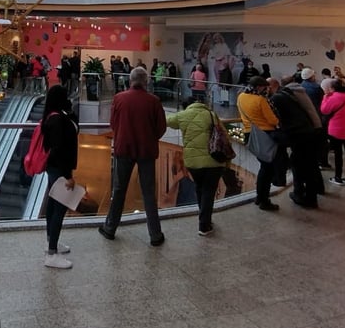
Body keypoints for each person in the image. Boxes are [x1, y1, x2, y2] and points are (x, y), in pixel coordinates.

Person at [98, 66, 167, 246]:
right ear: (146, 81)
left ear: (130, 80)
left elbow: (113, 124)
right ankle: (155, 234)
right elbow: (161, 128)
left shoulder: (119, 98)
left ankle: (110, 228)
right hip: (146, 152)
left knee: (119, 190)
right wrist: (149, 138)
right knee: (148, 194)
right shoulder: (154, 101)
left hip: (124, 150)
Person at [167, 97, 226, 236]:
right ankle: (204, 224)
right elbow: (224, 133)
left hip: (193, 162)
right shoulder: (211, 114)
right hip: (214, 160)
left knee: (200, 188)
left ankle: (203, 218)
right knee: (209, 191)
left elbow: (166, 120)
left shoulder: (182, 115)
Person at [41, 85, 79, 268]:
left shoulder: (52, 116)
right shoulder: (57, 120)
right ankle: (52, 253)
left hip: (54, 168)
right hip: (59, 169)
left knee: (52, 206)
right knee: (59, 209)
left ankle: (51, 242)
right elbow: (59, 148)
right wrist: (67, 175)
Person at [271, 76, 322, 208]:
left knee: (298, 166)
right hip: (310, 132)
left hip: (298, 135)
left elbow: (273, 117)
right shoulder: (291, 94)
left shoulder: (278, 98)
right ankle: (313, 195)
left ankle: (299, 194)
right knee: (310, 166)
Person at [236, 76, 280, 211]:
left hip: (249, 133)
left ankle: (260, 197)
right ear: (259, 87)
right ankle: (263, 199)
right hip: (265, 135)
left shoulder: (241, 96)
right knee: (268, 169)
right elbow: (272, 120)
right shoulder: (260, 100)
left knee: (264, 167)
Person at [321, 78, 345, 185]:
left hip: (336, 129)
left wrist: (325, 97)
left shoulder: (335, 97)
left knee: (338, 154)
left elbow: (324, 109)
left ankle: (338, 177)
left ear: (332, 88)